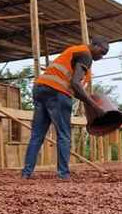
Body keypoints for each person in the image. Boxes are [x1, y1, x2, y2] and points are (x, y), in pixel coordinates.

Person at [21, 36, 109, 179]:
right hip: (56, 93)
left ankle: (26, 174)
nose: (101, 56)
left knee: (37, 135)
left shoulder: (74, 51)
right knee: (64, 135)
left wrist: (89, 103)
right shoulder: (86, 55)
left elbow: (75, 89)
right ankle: (63, 175)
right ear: (93, 44)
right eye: (102, 51)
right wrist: (95, 106)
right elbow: (75, 83)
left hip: (40, 88)